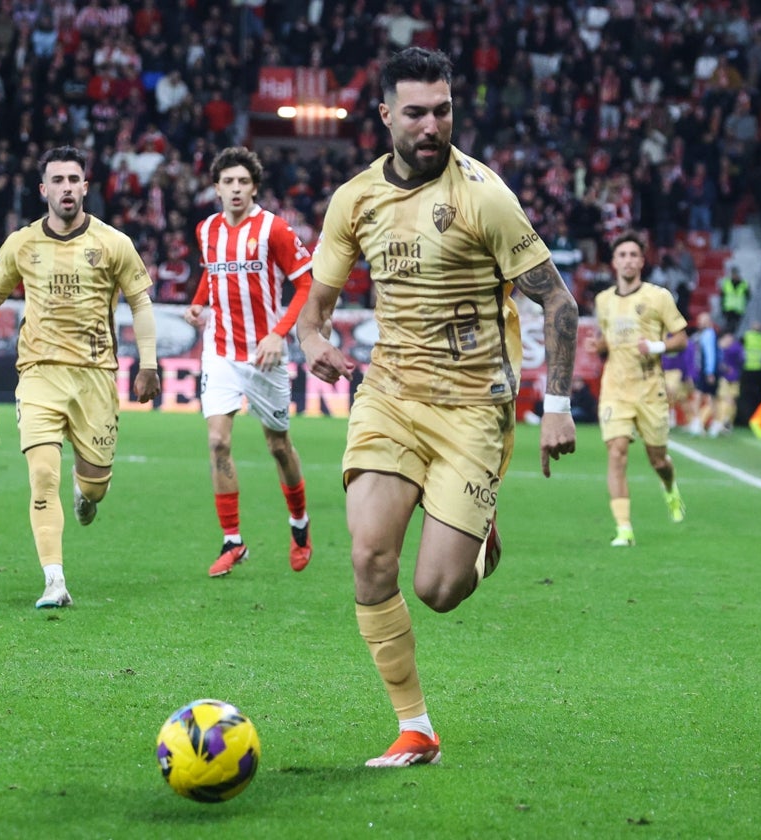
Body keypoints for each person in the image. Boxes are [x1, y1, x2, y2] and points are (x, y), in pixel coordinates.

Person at [295, 47, 578, 768]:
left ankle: (479, 537)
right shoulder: (354, 200)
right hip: (388, 396)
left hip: (472, 409)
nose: (432, 125)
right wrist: (312, 342)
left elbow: (558, 301)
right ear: (386, 114)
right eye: (416, 112)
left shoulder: (484, 195)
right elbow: (314, 309)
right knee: (368, 557)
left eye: (443, 110)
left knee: (439, 590)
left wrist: (557, 405)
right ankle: (415, 727)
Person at [0, 145, 161, 609]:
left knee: (94, 484)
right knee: (41, 474)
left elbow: (141, 302)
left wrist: (148, 363)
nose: (67, 188)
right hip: (38, 373)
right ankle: (54, 581)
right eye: (58, 181)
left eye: (74, 180)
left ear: (85, 187)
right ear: (44, 190)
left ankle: (86, 493)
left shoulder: (114, 243)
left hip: (95, 376)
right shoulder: (22, 243)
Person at [183, 147, 316, 578]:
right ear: (216, 187)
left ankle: (299, 525)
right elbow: (212, 271)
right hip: (219, 348)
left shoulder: (273, 229)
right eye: (228, 182)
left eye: (243, 182)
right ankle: (233, 541)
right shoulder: (207, 230)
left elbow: (305, 285)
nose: (235, 189)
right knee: (218, 442)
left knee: (278, 446)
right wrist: (199, 302)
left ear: (254, 187)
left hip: (264, 353)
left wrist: (280, 334)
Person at [592, 232, 690, 546]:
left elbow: (681, 338)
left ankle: (670, 487)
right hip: (615, 389)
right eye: (622, 255)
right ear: (614, 262)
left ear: (642, 261)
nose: (628, 260)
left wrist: (657, 345)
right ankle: (624, 529)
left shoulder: (658, 296)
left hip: (650, 389)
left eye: (634, 254)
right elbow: (608, 343)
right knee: (617, 453)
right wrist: (600, 346)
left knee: (658, 459)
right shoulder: (603, 300)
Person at [709, 329, 744, 436]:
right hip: (723, 378)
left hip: (732, 378)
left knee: (730, 401)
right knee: (723, 400)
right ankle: (720, 422)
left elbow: (741, 361)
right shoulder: (721, 347)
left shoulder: (735, 348)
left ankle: (725, 422)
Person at [739, 320, 761, 421]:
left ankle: (747, 418)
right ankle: (757, 418)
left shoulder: (746, 336)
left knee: (747, 396)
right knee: (759, 396)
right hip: (760, 371)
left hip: (749, 370)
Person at [717, 265, 750, 335]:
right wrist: (722, 308)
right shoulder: (726, 283)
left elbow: (748, 297)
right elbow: (722, 297)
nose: (734, 275)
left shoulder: (745, 284)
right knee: (729, 327)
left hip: (739, 310)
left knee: (736, 328)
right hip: (728, 310)